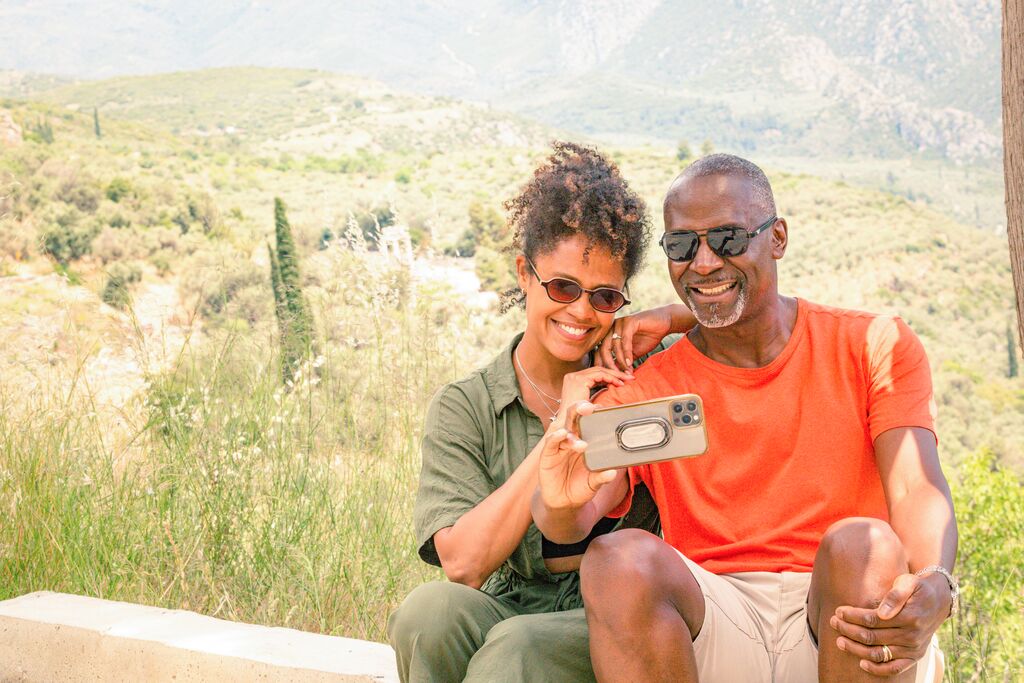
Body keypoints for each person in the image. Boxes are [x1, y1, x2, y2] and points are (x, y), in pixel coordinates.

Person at [533, 153, 957, 683]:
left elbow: (916, 486)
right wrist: (558, 501)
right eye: (682, 245)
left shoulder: (872, 345)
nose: (703, 263)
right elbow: (573, 518)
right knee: (615, 559)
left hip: (841, 610)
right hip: (718, 618)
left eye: (728, 239)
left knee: (862, 545)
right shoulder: (649, 388)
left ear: (777, 238)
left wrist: (936, 582)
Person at [387, 141, 697, 682]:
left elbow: (745, 325)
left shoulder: (644, 371)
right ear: (524, 274)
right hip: (513, 601)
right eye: (562, 286)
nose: (581, 311)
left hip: (617, 610)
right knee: (427, 615)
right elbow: (463, 564)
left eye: (604, 297)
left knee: (518, 649)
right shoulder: (467, 405)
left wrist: (671, 316)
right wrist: (560, 424)